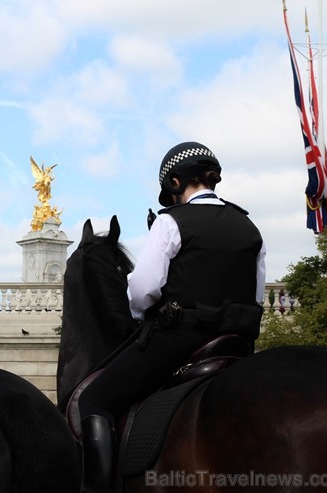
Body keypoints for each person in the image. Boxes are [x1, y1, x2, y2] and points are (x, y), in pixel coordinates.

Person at [77, 142, 266, 493]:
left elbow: (144, 289)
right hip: (236, 344)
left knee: (95, 400)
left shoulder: (170, 221)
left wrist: (139, 315)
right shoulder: (248, 225)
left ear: (176, 183)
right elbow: (255, 295)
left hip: (180, 341)